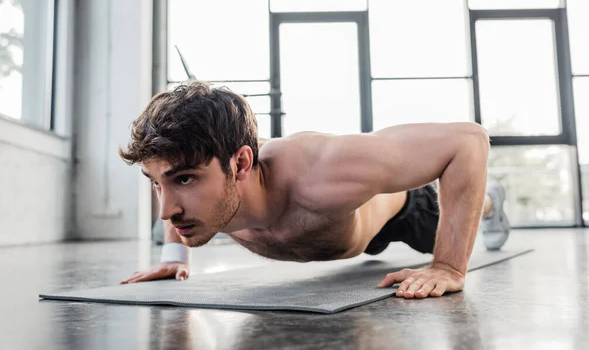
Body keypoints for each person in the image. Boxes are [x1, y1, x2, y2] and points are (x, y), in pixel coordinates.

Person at [118, 82, 510, 299]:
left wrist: (448, 266)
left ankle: (492, 201)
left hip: (403, 213)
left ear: (240, 165)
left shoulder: (324, 173)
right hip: (338, 230)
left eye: (184, 180)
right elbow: (175, 181)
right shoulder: (204, 196)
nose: (166, 210)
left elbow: (468, 141)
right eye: (157, 183)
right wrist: (174, 254)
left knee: (451, 213)